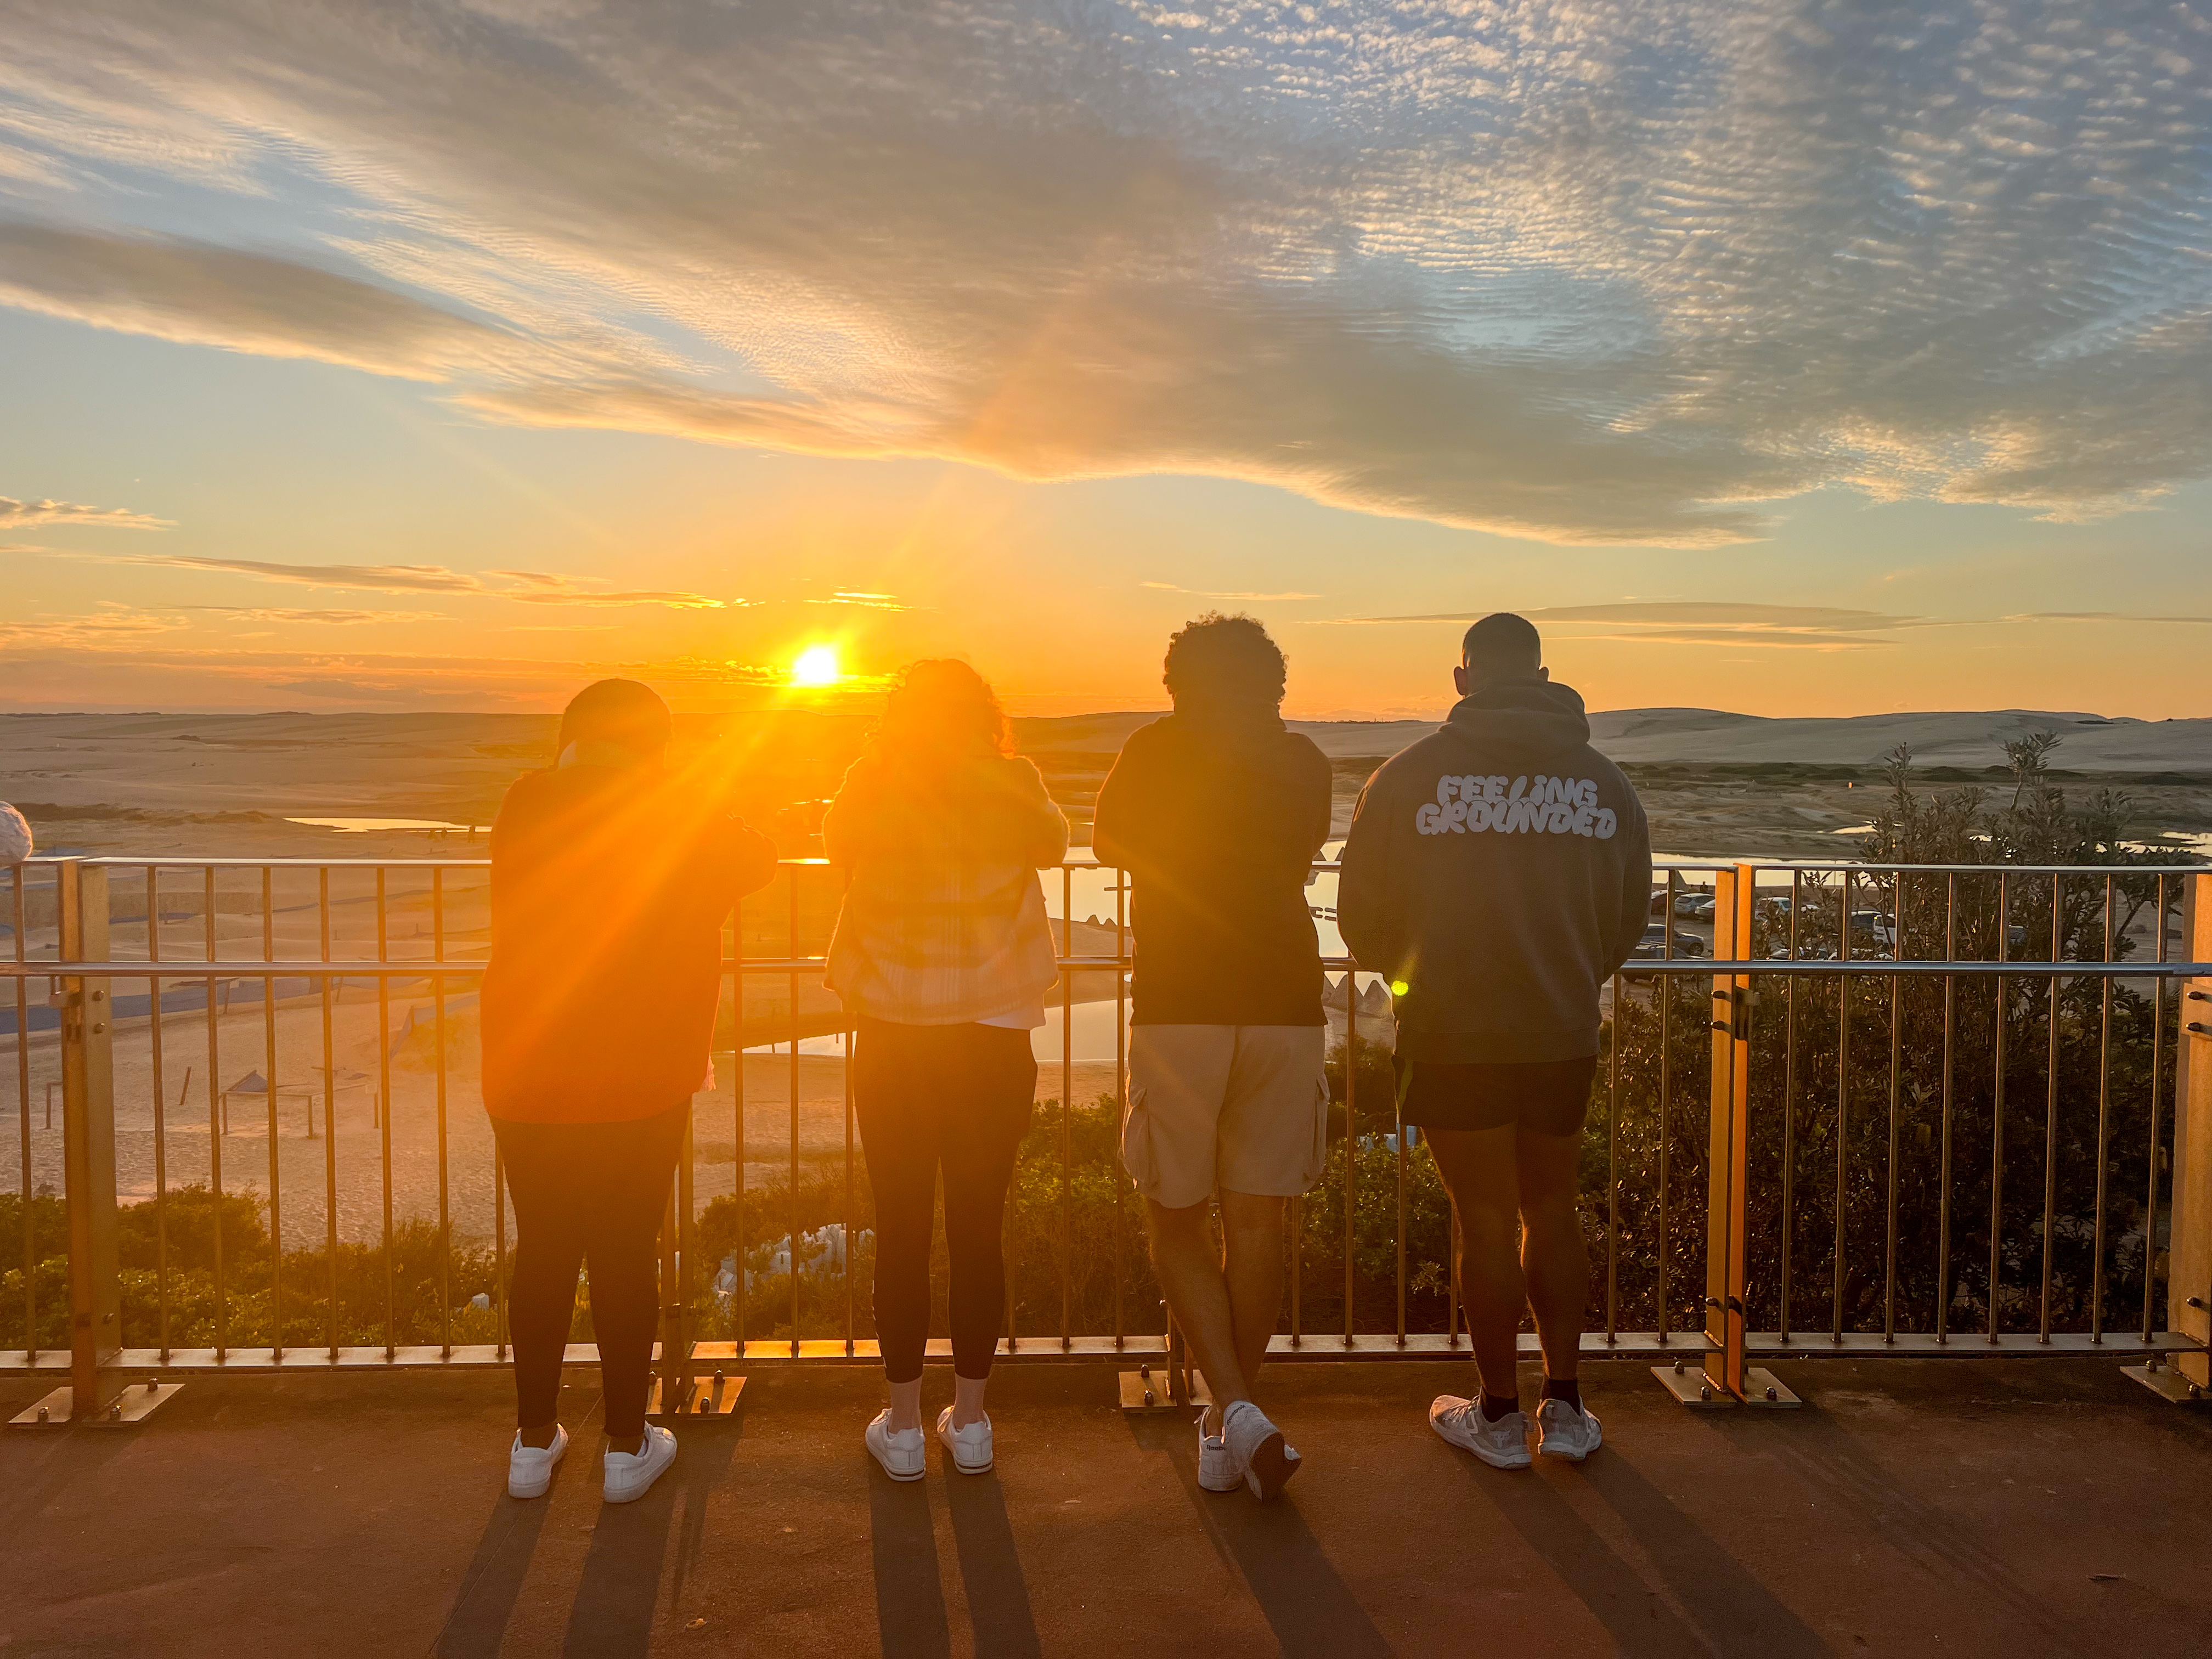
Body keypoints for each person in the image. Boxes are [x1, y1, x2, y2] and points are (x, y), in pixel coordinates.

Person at [1337, 613, 1649, 1468]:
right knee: (1552, 1210)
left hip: (1449, 1035)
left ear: (1462, 679)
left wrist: (1408, 986)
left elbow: (1361, 915)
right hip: (1560, 1032)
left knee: (1482, 1215)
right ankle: (1570, 1409)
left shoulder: (1405, 780)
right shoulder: (1604, 784)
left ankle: (1501, 1418)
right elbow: (1627, 916)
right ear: (1544, 674)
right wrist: (1572, 977)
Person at [481, 679, 776, 1503]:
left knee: (542, 1249)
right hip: (641, 1076)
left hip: (527, 1062)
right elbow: (759, 857)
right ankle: (624, 1446)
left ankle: (532, 1445)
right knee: (622, 1252)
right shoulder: (675, 809)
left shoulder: (526, 800)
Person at [1092, 613, 1331, 1501]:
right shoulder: (1304, 760)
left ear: (1177, 684)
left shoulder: (1153, 752)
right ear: (1272, 683)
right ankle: (1230, 1425)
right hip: (1285, 1002)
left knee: (1175, 1216)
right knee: (1259, 1220)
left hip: (1181, 1000)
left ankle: (1231, 1408)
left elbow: (1109, 843)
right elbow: (1304, 851)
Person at [823, 659, 1068, 1481]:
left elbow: (836, 855)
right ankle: (970, 1422)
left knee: (900, 1226)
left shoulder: (871, 779)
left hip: (893, 1029)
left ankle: (899, 1425)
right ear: (983, 715)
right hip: (994, 1031)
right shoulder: (1012, 779)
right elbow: (1055, 844)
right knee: (976, 1228)